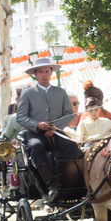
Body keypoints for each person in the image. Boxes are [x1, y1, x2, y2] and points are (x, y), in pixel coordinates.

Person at [15, 56, 84, 191]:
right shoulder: (27, 93)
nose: (44, 75)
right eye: (40, 72)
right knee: (36, 147)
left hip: (56, 131)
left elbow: (69, 114)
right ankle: (49, 184)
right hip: (36, 133)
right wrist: (37, 124)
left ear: (51, 72)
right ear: (35, 74)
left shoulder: (60, 92)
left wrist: (56, 126)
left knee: (71, 146)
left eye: (47, 71)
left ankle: (75, 180)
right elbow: (20, 117)